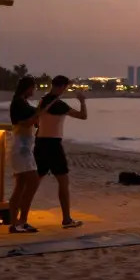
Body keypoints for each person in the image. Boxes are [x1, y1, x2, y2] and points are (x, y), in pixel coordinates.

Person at [35, 76, 88, 229]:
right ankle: (66, 218)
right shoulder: (58, 104)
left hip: (40, 143)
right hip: (52, 144)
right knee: (63, 182)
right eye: (66, 87)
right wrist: (82, 101)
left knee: (34, 182)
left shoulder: (43, 100)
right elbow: (83, 116)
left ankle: (19, 215)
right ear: (62, 86)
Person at [6, 77, 50, 233]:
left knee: (21, 186)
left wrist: (40, 112)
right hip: (21, 149)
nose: (34, 91)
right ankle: (20, 220)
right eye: (33, 88)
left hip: (23, 148)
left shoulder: (21, 102)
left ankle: (17, 222)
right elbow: (25, 122)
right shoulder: (18, 103)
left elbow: (33, 117)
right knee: (32, 183)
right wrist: (39, 114)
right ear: (27, 87)